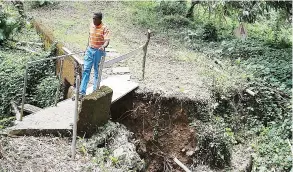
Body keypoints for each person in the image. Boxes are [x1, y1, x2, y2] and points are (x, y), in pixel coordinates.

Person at [75, 12, 110, 100]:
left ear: (100, 19)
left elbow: (107, 40)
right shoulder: (91, 25)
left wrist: (103, 46)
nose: (93, 20)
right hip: (90, 50)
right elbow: (89, 37)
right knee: (86, 70)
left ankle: (95, 91)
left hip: (98, 51)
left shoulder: (104, 28)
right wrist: (86, 48)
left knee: (96, 72)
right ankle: (82, 92)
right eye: (93, 18)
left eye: (95, 19)